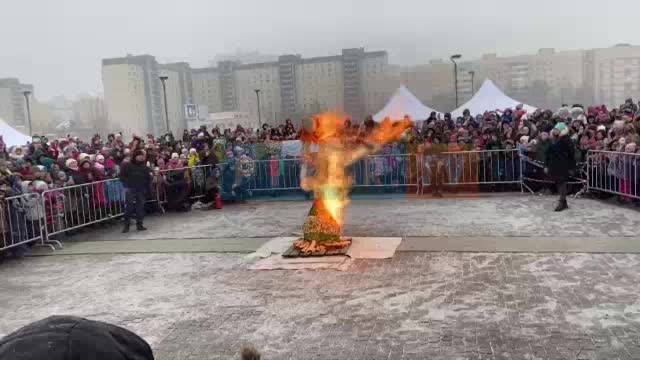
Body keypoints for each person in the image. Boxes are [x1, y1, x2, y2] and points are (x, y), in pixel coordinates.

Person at [544, 122, 576, 212]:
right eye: (554, 129)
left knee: (561, 182)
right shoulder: (554, 139)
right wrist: (546, 165)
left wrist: (572, 167)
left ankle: (562, 202)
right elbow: (548, 153)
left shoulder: (566, 140)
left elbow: (571, 154)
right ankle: (564, 201)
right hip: (554, 165)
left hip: (563, 165)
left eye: (557, 129)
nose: (555, 131)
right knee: (558, 182)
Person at [119, 150, 151, 232]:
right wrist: (126, 185)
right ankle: (126, 226)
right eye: (139, 155)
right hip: (130, 189)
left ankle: (139, 224)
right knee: (129, 207)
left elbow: (148, 178)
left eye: (142, 155)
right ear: (135, 156)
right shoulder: (128, 165)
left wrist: (147, 188)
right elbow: (122, 176)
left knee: (140, 207)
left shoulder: (144, 167)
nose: (141, 157)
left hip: (141, 189)